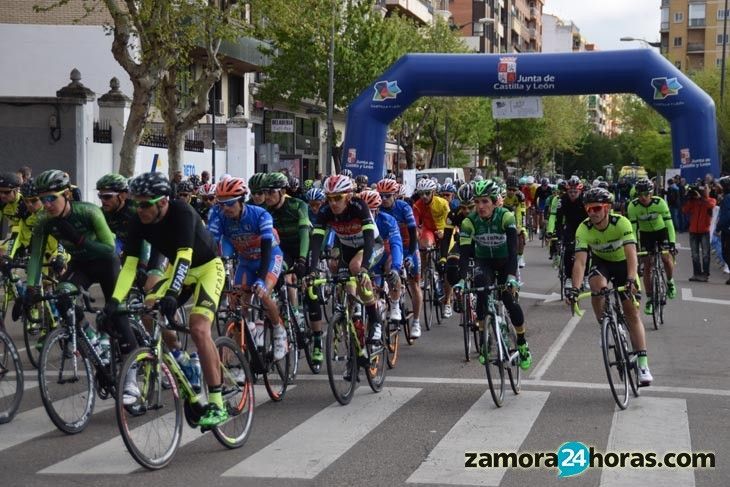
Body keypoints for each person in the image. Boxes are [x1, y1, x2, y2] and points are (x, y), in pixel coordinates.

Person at [109, 172, 227, 427]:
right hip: (180, 271)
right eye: (135, 203)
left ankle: (217, 403)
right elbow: (129, 267)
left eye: (144, 204)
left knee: (198, 327)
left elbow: (185, 255)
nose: (138, 209)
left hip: (207, 268)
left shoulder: (181, 210)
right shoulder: (138, 221)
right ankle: (182, 360)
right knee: (148, 312)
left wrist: (173, 294)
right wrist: (114, 301)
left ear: (162, 202)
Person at [25, 169, 139, 380]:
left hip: (107, 264)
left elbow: (109, 248)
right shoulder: (44, 220)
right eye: (43, 199)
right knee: (62, 296)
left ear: (67, 194)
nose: (46, 204)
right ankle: (92, 337)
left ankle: (131, 377)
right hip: (80, 265)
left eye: (52, 198)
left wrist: (79, 239)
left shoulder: (88, 212)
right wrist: (31, 288)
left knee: (117, 313)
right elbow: (36, 256)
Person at [566, 187, 652, 385]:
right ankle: (604, 323)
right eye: (589, 209)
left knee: (632, 313)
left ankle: (643, 364)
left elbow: (631, 254)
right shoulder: (584, 228)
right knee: (596, 284)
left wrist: (631, 279)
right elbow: (580, 262)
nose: (593, 213)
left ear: (607, 208)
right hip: (602, 263)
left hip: (623, 265)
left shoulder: (621, 223)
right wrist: (575, 288)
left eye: (597, 208)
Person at [455, 179, 532, 370]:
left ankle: (522, 343)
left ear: (495, 202)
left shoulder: (505, 217)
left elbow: (514, 250)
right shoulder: (469, 222)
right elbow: (464, 255)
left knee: (508, 299)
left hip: (505, 261)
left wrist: (512, 277)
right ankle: (484, 341)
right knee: (481, 291)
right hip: (485, 262)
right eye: (477, 202)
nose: (480, 206)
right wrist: (462, 280)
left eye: (485, 202)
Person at [207, 177, 287, 359]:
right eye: (221, 204)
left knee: (263, 292)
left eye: (230, 203)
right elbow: (211, 244)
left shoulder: (260, 214)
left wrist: (261, 278)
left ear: (241, 200)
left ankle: (278, 330)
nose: (225, 208)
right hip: (246, 261)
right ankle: (241, 358)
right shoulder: (219, 215)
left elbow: (267, 246)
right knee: (236, 305)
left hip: (269, 256)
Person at [308, 175, 384, 354]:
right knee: (347, 289)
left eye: (338, 198)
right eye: (329, 198)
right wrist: (311, 271)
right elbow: (317, 240)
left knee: (356, 269)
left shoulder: (359, 206)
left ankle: (375, 320)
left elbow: (368, 239)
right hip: (347, 249)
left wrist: (365, 268)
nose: (333, 203)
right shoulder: (325, 211)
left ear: (348, 196)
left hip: (371, 246)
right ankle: (354, 348)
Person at [261, 172, 318, 362]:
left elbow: (304, 233)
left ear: (282, 191)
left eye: (271, 193)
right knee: (281, 276)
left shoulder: (297, 205)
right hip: (284, 250)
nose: (267, 197)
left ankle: (317, 340)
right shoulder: (266, 211)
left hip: (303, 247)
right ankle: (291, 311)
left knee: (311, 290)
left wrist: (302, 260)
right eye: (264, 193)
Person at [378, 179, 422, 337]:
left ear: (395, 195)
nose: (383, 199)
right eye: (380, 196)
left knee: (414, 283)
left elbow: (413, 233)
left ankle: (416, 322)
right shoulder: (378, 209)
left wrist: (410, 254)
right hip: (390, 247)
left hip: (408, 244)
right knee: (387, 270)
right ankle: (391, 301)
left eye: (387, 196)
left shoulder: (404, 207)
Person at [626, 178, 677, 314]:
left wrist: (671, 243)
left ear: (651, 193)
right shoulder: (633, 206)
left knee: (666, 258)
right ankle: (650, 299)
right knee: (647, 265)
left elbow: (669, 224)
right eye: (640, 194)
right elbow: (632, 229)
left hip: (661, 232)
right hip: (645, 235)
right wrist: (634, 246)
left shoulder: (659, 203)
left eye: (646, 194)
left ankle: (670, 281)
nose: (643, 197)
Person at [360, 190, 404, 324]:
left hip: (386, 254)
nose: (369, 215)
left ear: (377, 210)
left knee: (391, 270)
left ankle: (395, 304)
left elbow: (396, 243)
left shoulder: (388, 220)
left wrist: (396, 267)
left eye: (372, 211)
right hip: (368, 257)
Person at [546, 176, 588, 288]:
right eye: (570, 191)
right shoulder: (562, 200)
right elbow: (558, 219)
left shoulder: (585, 200)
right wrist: (558, 236)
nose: (573, 194)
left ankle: (586, 275)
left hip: (583, 226)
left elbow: (590, 218)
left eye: (575, 191)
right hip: (569, 226)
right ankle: (568, 277)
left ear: (580, 191)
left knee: (587, 250)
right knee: (568, 250)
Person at [682, 183, 717, 282]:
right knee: (694, 254)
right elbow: (684, 210)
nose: (703, 190)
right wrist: (688, 198)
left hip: (704, 231)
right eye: (702, 189)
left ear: (709, 190)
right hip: (693, 231)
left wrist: (701, 197)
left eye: (705, 188)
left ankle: (705, 274)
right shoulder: (694, 201)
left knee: (705, 254)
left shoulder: (711, 200)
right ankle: (696, 274)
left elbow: (710, 205)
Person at [0, 172, 23, 255]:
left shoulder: (24, 203)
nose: (2, 195)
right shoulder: (2, 203)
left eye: (6, 192)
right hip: (14, 235)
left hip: (29, 238)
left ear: (16, 190)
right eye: (0, 192)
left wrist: (9, 255)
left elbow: (18, 231)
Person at [717, 176, 730, 285]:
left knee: (726, 253)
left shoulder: (727, 198)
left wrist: (718, 227)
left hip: (727, 230)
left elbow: (725, 216)